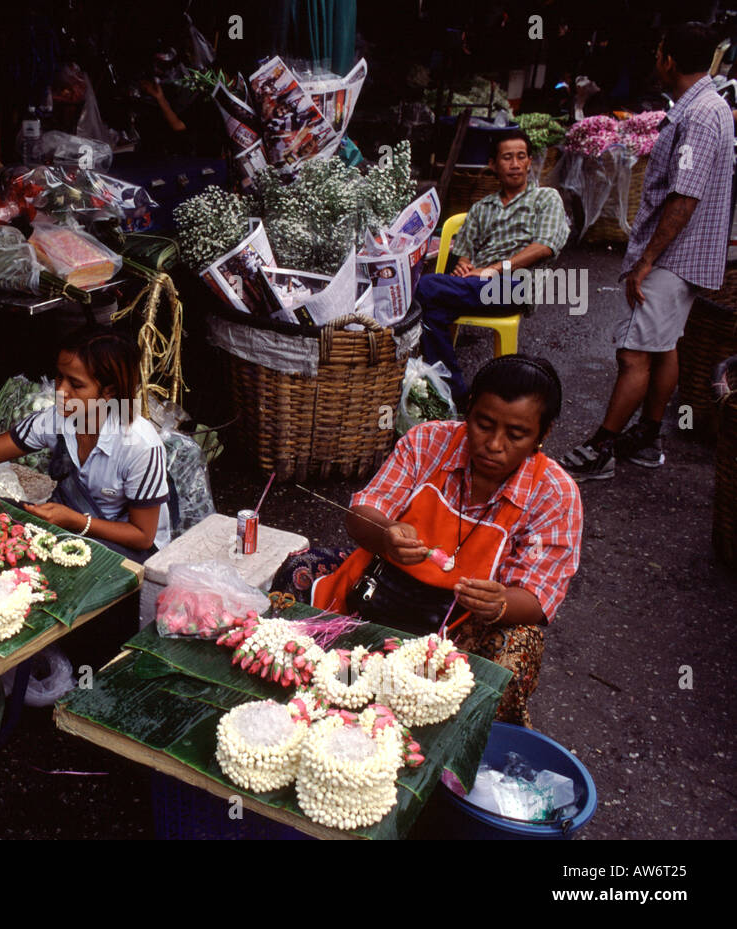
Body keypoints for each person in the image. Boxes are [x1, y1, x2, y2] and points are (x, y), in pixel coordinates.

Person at [271, 356, 583, 727]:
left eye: (516, 435)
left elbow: (537, 596)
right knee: (298, 571)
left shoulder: (555, 493)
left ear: (542, 434)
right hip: (382, 587)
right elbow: (360, 516)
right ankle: (311, 693)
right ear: (468, 411)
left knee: (518, 647)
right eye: (483, 424)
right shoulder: (428, 441)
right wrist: (386, 535)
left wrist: (499, 603)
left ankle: (447, 738)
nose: (494, 445)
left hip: (459, 625)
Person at [561, 22, 735, 480]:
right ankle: (649, 436)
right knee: (663, 345)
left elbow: (685, 197)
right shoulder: (705, 107)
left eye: (659, 52)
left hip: (674, 257)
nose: (656, 59)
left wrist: (647, 261)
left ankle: (601, 448)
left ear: (669, 60)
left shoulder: (700, 114)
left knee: (633, 351)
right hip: (685, 255)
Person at [0, 327, 171, 562]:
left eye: (76, 384)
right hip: (69, 521)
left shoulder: (140, 445)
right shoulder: (57, 418)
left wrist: (76, 521)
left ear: (109, 391)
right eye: (60, 377)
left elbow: (143, 536)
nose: (61, 391)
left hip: (124, 547)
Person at [413, 129, 571, 407]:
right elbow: (463, 251)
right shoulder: (482, 208)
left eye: (520, 157)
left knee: (425, 287)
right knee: (432, 310)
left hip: (516, 285)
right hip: (478, 287)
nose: (514, 164)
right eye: (507, 157)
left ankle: (445, 388)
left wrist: (495, 269)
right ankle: (456, 394)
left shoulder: (546, 198)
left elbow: (545, 246)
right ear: (492, 165)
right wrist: (463, 266)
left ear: (529, 162)